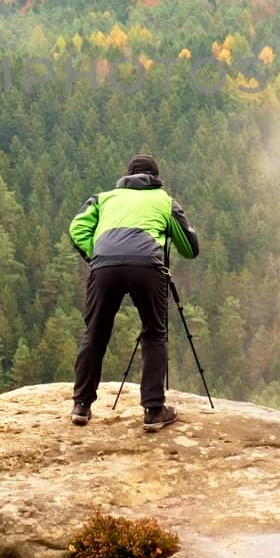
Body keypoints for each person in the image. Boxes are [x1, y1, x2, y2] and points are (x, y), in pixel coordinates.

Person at [67, 153, 199, 431]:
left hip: (104, 267)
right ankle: (153, 410)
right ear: (155, 178)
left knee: (96, 332)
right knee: (154, 332)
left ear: (126, 178)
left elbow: (76, 228)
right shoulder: (165, 201)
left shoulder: (103, 199)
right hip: (147, 268)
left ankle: (81, 405)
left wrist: (98, 255)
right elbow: (189, 249)